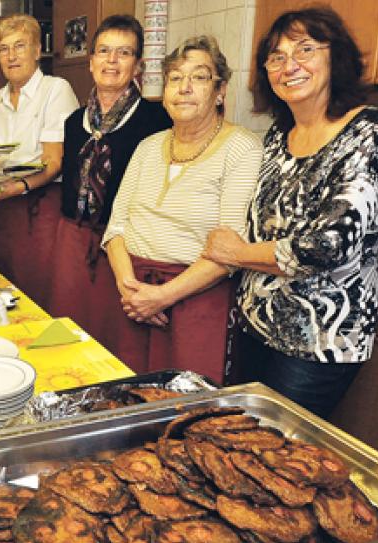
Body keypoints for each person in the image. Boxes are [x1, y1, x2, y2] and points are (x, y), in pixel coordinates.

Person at [204, 7, 378, 418]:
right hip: (256, 325)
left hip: (319, 342)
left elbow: (327, 247)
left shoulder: (371, 131)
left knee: (274, 456)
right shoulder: (279, 135)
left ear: (335, 57)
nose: (289, 65)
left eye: (305, 49)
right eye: (276, 56)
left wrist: (236, 254)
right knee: (236, 443)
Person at [101, 36, 263, 384]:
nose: (184, 88)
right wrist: (131, 290)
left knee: (190, 411)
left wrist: (161, 297)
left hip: (197, 300)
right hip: (134, 296)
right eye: (175, 78)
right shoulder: (148, 146)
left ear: (220, 91)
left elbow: (230, 250)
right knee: (129, 398)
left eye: (200, 77)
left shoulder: (242, 149)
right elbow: (116, 228)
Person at [49, 15, 172, 345]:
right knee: (68, 333)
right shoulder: (75, 121)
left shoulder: (156, 120)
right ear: (91, 62)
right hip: (72, 240)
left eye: (124, 52)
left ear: (138, 65)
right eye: (104, 51)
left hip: (123, 248)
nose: (112, 61)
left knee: (115, 339)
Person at [0, 14, 79, 308]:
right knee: (5, 286)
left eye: (20, 46)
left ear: (37, 51)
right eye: (3, 49)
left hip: (42, 204)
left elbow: (54, 161)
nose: (11, 56)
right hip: (5, 206)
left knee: (39, 290)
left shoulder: (55, 90)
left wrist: (19, 186)